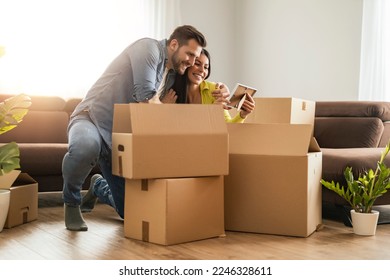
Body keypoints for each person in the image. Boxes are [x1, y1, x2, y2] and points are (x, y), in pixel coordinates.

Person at [62, 25, 232, 232]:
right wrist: (163, 108)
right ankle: (72, 203)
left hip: (122, 137)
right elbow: (146, 98)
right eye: (189, 55)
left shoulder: (173, 72)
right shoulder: (148, 49)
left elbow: (197, 82)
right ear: (174, 44)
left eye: (195, 58)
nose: (192, 62)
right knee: (86, 146)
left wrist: (222, 89)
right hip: (92, 118)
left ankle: (98, 186)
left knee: (133, 212)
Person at [164, 48, 256, 121]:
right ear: (187, 64)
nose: (202, 70)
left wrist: (242, 115)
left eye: (206, 67)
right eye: (197, 64)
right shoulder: (171, 92)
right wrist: (162, 108)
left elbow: (228, 127)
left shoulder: (214, 90)